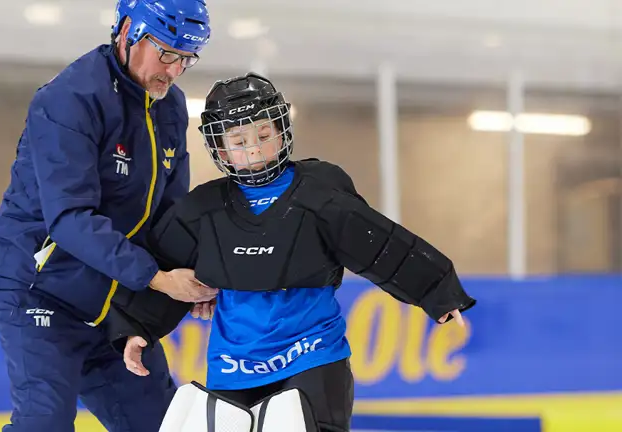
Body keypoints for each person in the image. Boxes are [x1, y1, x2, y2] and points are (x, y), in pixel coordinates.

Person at [106, 72, 477, 432]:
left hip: (312, 356)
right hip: (234, 367)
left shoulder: (320, 194)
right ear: (220, 149)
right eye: (238, 140)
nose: (252, 147)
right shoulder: (203, 209)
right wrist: (136, 327)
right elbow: (165, 269)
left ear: (282, 131)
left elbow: (380, 243)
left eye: (263, 134)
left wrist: (436, 290)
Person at [0, 1, 217, 431]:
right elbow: (70, 217)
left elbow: (170, 218)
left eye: (186, 59)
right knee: (45, 423)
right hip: (42, 292)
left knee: (162, 425)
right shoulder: (68, 99)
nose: (174, 70)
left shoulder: (169, 105)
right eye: (167, 52)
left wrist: (191, 276)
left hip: (114, 299)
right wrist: (158, 279)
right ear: (128, 31)